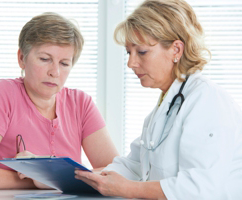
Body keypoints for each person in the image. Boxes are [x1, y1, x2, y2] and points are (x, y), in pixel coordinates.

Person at [74, 0, 242, 199]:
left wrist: (126, 189)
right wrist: (65, 175)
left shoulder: (207, 101)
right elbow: (133, 166)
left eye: (142, 52)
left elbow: (200, 188)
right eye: (129, 52)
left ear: (176, 50)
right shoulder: (164, 109)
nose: (130, 63)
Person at [0, 12, 118, 189]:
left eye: (64, 63)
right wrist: (43, 179)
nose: (54, 72)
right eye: (44, 59)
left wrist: (47, 177)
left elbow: (116, 173)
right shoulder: (3, 94)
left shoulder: (81, 104)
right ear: (21, 58)